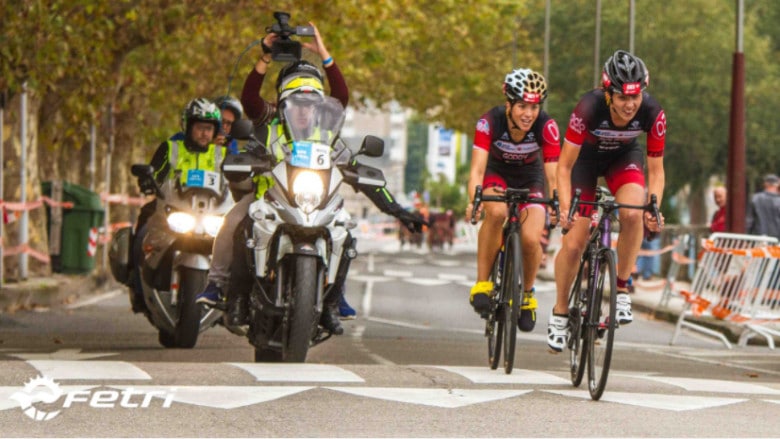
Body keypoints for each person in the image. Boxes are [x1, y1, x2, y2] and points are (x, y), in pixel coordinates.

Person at [196, 34, 425, 334]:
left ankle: (332, 301)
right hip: (267, 201)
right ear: (282, 102)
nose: (303, 109)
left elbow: (354, 157)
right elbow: (250, 99)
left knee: (346, 233)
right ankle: (228, 292)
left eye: (310, 103)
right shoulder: (269, 126)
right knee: (235, 224)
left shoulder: (327, 135)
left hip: (318, 203)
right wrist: (265, 56)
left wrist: (397, 209)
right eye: (296, 102)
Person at [549, 50, 666, 352]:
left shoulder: (653, 112)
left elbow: (656, 169)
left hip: (623, 158)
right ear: (608, 93)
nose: (630, 105)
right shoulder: (587, 108)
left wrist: (653, 207)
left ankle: (622, 286)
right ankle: (561, 311)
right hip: (584, 162)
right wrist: (565, 208)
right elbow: (563, 166)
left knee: (632, 213)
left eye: (635, 97)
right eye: (623, 98)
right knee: (574, 244)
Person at [465, 68, 560, 332]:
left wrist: (557, 203)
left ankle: (527, 295)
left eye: (534, 106)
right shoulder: (489, 122)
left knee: (531, 238)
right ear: (509, 105)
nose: (528, 114)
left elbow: (554, 173)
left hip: (531, 179)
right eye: (522, 106)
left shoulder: (547, 126)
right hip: (497, 175)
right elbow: (476, 170)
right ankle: (482, 283)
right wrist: (475, 199)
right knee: (495, 214)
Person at [130, 98, 224, 313]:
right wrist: (147, 180)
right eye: (199, 128)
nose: (204, 134)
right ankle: (136, 287)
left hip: (209, 215)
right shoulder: (171, 148)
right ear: (188, 126)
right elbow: (155, 171)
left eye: (208, 129)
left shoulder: (222, 154)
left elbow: (234, 181)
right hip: (171, 211)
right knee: (141, 232)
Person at [746, 174, 780, 240]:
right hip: (777, 240)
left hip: (759, 238)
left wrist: (747, 237)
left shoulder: (755, 198)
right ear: (777, 185)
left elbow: (749, 221)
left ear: (765, 184)